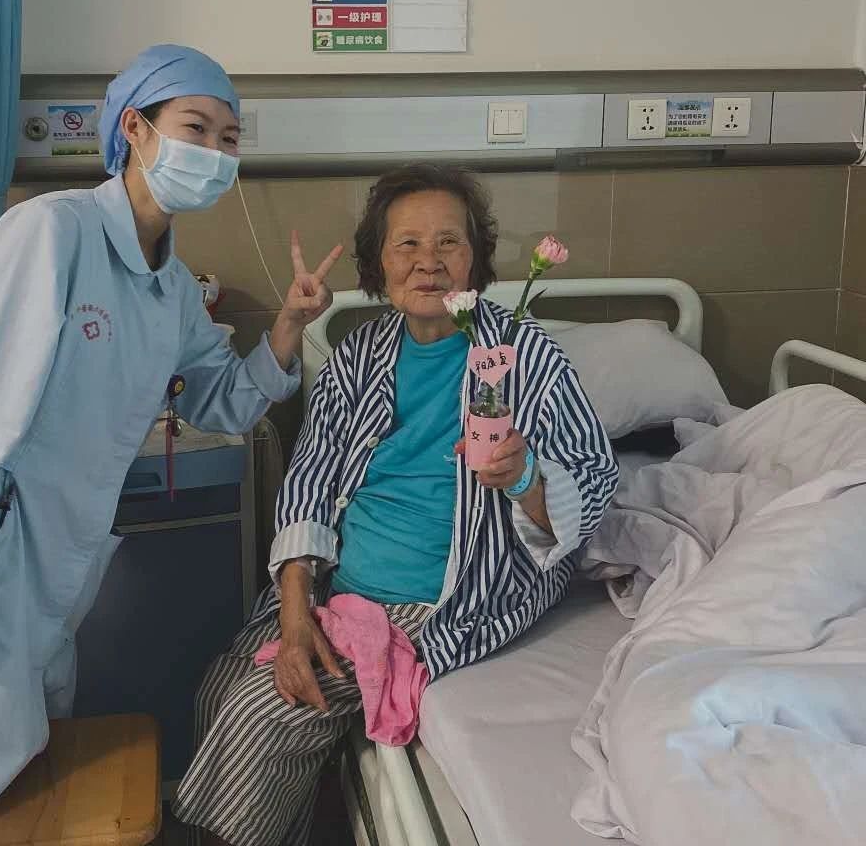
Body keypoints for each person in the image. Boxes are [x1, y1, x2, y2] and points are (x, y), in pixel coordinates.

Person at [0, 45, 342, 846]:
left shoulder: (171, 286)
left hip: (40, 560)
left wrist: (289, 329)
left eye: (230, 137)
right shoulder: (51, 233)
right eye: (196, 127)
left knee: (1, 786)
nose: (214, 151)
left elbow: (225, 400)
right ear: (135, 129)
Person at [173, 164, 619, 846]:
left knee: (268, 711)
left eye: (449, 242)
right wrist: (295, 609)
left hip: (445, 597)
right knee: (219, 686)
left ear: (476, 259)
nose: (428, 261)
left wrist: (526, 476)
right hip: (337, 586)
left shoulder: (525, 356)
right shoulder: (359, 356)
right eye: (407, 243)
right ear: (379, 263)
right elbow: (310, 478)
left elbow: (592, 483)